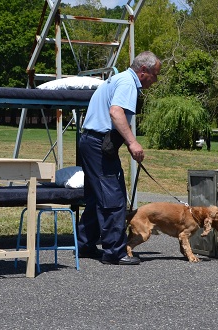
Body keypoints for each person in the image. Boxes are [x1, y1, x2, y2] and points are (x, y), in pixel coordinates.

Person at [77, 51, 161, 265]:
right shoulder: (127, 83)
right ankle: (115, 252)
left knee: (97, 197)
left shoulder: (118, 79)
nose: (156, 80)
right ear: (144, 71)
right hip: (98, 144)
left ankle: (86, 245)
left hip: (91, 142)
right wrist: (132, 142)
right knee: (113, 197)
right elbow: (116, 112)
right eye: (155, 75)